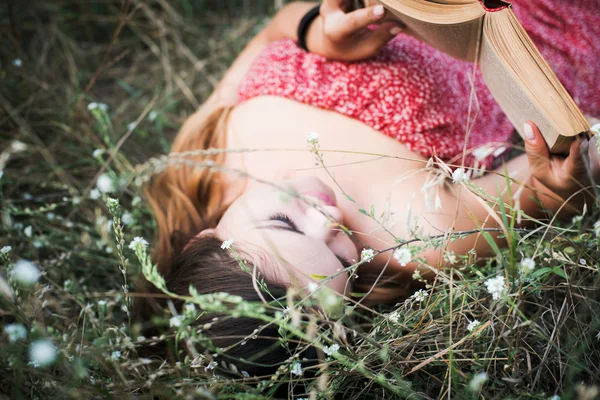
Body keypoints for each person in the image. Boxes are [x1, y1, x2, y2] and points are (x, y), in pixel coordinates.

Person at [134, 0, 600, 376]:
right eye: (341, 259)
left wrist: (318, 31)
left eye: (284, 222)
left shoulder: (201, 159)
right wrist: (563, 187)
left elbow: (272, 32)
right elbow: (559, 175)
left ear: (204, 241)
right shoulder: (420, 236)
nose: (328, 218)